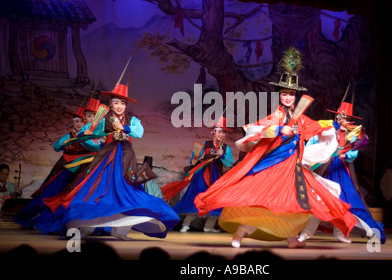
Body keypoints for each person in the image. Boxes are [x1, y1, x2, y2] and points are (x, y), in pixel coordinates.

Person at [194, 48, 357, 248]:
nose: (288, 97)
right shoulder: (276, 116)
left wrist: (335, 126)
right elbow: (257, 130)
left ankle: (291, 239)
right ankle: (239, 234)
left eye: (291, 94)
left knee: (290, 205)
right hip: (273, 168)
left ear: (296, 96)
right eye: (285, 94)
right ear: (280, 95)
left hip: (292, 170)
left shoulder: (300, 119)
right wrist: (280, 130)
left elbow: (315, 127)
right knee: (262, 205)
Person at [52, 75, 179, 240]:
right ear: (110, 104)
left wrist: (123, 127)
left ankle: (119, 231)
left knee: (129, 192)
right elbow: (88, 131)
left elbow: (138, 133)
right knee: (99, 190)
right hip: (108, 157)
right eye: (116, 102)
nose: (119, 106)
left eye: (122, 103)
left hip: (126, 158)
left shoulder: (132, 120)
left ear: (126, 105)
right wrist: (87, 132)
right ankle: (86, 227)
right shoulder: (104, 120)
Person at [299, 99, 386, 244]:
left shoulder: (352, 134)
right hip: (323, 167)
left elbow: (353, 153)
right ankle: (307, 232)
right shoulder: (327, 129)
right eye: (340, 117)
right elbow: (312, 143)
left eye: (346, 118)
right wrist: (312, 157)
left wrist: (345, 154)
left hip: (341, 170)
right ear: (336, 117)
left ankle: (340, 233)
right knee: (322, 199)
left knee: (347, 200)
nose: (343, 120)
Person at [14, 106, 100, 228]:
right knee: (51, 195)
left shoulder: (92, 134)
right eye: (77, 121)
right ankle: (28, 219)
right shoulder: (69, 136)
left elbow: (97, 147)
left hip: (84, 169)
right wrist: (67, 145)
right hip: (68, 168)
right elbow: (56, 146)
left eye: (81, 121)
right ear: (73, 122)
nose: (79, 124)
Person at [162, 117, 234, 233]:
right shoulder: (205, 144)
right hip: (201, 175)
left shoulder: (226, 148)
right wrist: (194, 160)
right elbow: (193, 160)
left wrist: (223, 156)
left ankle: (209, 226)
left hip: (215, 176)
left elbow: (229, 163)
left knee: (213, 199)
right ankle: (186, 224)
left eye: (223, 132)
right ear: (214, 131)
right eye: (218, 131)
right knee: (196, 197)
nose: (220, 135)